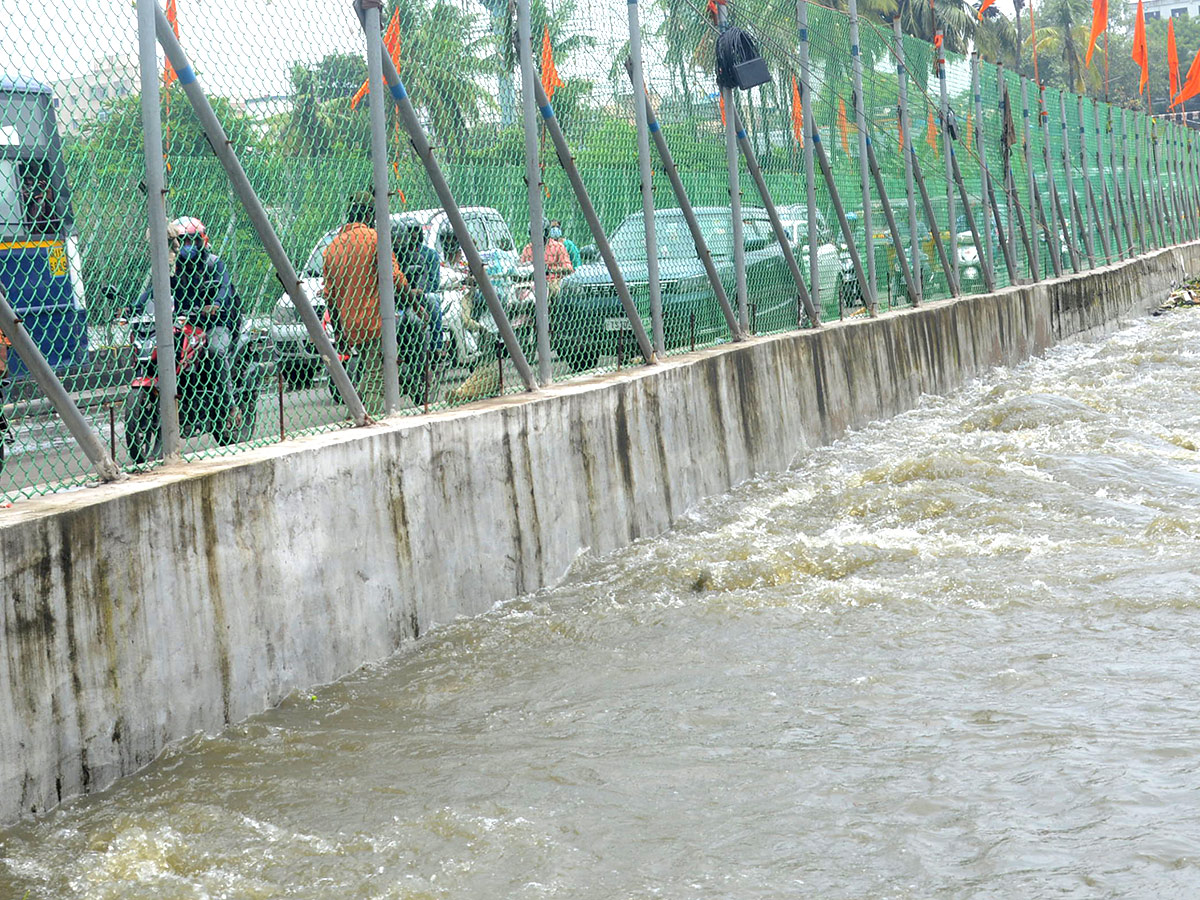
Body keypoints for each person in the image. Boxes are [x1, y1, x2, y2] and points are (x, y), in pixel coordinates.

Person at [137, 216, 243, 428]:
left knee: (214, 352)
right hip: (184, 323)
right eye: (182, 241)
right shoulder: (175, 269)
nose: (186, 247)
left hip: (215, 324)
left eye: (190, 241)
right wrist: (136, 307)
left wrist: (215, 305)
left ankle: (230, 406)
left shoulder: (214, 264)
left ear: (201, 240)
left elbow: (224, 288)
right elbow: (154, 290)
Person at [323, 193, 409, 415]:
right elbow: (393, 276)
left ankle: (354, 414)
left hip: (350, 324)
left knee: (370, 370)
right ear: (370, 214)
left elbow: (330, 297)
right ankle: (362, 421)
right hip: (375, 321)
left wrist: (340, 333)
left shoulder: (332, 247)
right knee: (377, 375)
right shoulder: (373, 238)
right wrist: (413, 297)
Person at [394, 222, 442, 402]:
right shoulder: (389, 258)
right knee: (398, 319)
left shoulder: (424, 256)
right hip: (396, 302)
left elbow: (427, 280)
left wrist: (418, 291)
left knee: (431, 302)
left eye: (415, 232)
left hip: (416, 300)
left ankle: (436, 347)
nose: (412, 236)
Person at [521, 220, 573, 286]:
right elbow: (521, 267)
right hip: (532, 282)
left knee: (553, 286)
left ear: (546, 233)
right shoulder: (528, 249)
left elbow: (568, 268)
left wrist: (550, 269)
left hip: (552, 281)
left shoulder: (558, 247)